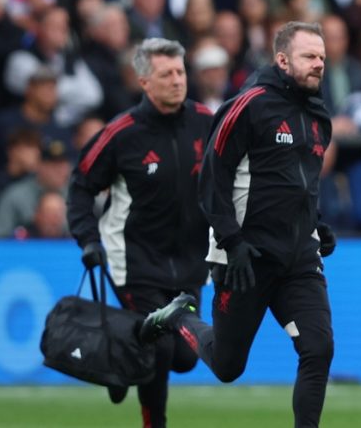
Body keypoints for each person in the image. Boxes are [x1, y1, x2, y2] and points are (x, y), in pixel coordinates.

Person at [140, 22, 337, 428]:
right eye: (309, 56)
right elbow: (213, 177)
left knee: (318, 349)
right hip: (245, 255)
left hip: (299, 257)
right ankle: (179, 317)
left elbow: (300, 184)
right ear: (282, 61)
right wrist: (232, 241)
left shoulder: (319, 115)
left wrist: (317, 223)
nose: (319, 64)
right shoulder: (248, 105)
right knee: (228, 366)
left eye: (322, 57)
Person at [66, 38, 215, 428]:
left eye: (180, 71)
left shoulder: (207, 122)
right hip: (133, 261)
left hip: (189, 263)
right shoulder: (120, 134)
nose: (176, 80)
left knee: (185, 357)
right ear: (144, 82)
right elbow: (80, 186)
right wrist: (88, 240)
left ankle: (120, 354)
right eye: (166, 74)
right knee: (163, 349)